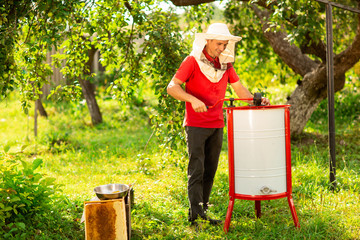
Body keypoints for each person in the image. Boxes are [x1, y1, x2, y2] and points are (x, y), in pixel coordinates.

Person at [166, 23, 270, 226]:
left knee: (210, 170)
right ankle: (194, 217)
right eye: (219, 44)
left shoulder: (226, 64)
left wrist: (257, 101)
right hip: (196, 124)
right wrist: (192, 100)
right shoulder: (192, 61)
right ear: (208, 41)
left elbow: (239, 89)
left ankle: (203, 213)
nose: (222, 48)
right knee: (197, 169)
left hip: (217, 124)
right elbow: (172, 87)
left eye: (225, 44)